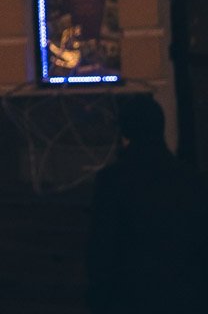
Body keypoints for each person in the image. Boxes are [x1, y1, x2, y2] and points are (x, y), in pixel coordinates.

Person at [86, 95, 208, 313]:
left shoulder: (113, 180)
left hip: (130, 297)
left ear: (125, 132)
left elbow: (102, 251)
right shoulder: (192, 179)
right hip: (184, 296)